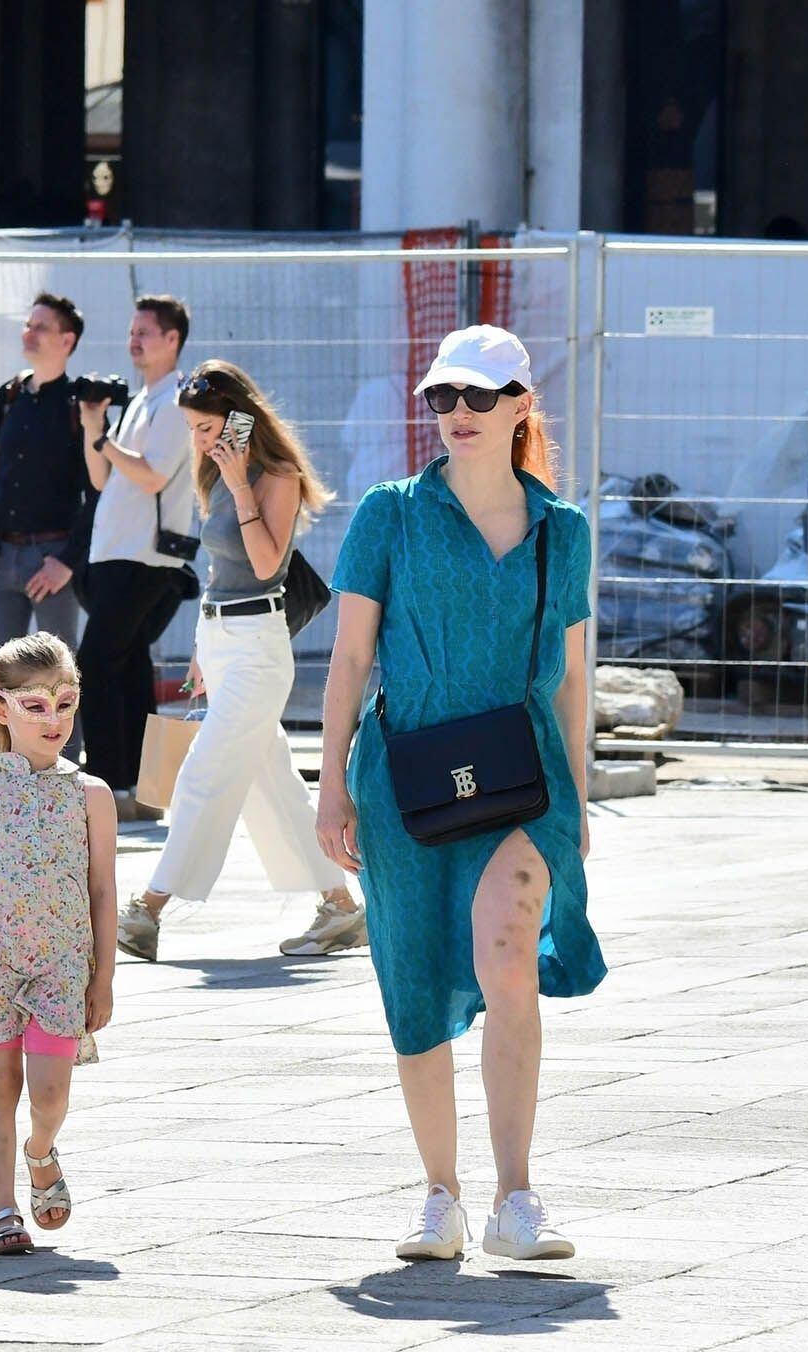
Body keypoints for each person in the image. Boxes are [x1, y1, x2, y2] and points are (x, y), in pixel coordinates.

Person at [316, 325, 604, 1262]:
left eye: (481, 397)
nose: (460, 415)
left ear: (522, 404)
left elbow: (569, 676)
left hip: (526, 778)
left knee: (508, 945)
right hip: (402, 778)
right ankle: (438, 1195)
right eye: (445, 397)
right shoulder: (388, 514)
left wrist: (582, 797)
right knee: (413, 974)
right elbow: (351, 657)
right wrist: (329, 788)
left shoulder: (565, 530)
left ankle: (516, 1196)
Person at [114, 361, 365, 963]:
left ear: (239, 420)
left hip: (260, 643)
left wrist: (240, 485)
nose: (199, 442)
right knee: (269, 781)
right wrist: (203, 645)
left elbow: (262, 564)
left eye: (207, 429)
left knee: (204, 771)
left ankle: (147, 908)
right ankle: (340, 905)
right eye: (194, 430)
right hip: (223, 637)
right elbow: (219, 569)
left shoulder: (276, 475)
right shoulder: (213, 471)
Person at [0, 632, 116, 1255]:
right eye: (36, 705)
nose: (55, 720)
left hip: (64, 964)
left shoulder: (90, 795)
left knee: (50, 1092)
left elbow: (102, 890)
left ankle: (40, 1149)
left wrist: (104, 978)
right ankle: (2, 1208)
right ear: (0, 707)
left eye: (65, 703)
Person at [75, 294, 197, 823]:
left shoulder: (176, 400)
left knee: (96, 661)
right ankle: (142, 791)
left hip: (145, 557)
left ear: (173, 339)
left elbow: (150, 474)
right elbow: (102, 479)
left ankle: (107, 784)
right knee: (126, 667)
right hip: (114, 552)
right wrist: (92, 428)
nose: (134, 340)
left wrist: (104, 440)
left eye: (145, 331)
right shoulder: (143, 399)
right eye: (131, 331)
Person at [0, 293, 94, 656]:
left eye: (41, 327)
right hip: (0, 555)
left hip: (52, 561)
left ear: (67, 341)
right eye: (28, 324)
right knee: (2, 679)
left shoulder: (79, 404)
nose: (29, 333)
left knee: (61, 678)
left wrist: (67, 562)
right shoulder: (8, 396)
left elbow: (99, 492)